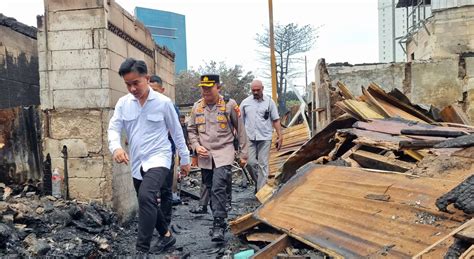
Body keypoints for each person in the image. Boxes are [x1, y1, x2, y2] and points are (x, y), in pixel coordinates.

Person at [108, 58, 190, 254]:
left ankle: (141, 250)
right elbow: (113, 128)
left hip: (160, 158)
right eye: (128, 84)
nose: (132, 88)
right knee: (148, 201)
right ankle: (167, 237)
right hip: (136, 162)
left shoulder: (163, 103)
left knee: (146, 196)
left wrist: (185, 160)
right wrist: (116, 148)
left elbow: (176, 132)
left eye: (136, 83)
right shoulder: (123, 103)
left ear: (146, 78)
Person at [187, 74, 248, 242]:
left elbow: (240, 130)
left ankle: (218, 224)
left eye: (209, 87)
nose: (205, 91)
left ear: (218, 88)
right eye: (203, 88)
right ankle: (219, 213)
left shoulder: (229, 105)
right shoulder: (196, 108)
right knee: (209, 185)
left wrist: (243, 154)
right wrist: (196, 146)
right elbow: (191, 130)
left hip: (224, 152)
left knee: (218, 187)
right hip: (205, 156)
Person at [240, 79, 283, 191]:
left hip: (265, 137)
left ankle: (261, 190)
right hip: (249, 137)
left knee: (263, 164)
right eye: (253, 90)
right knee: (250, 163)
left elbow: (276, 120)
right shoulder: (245, 103)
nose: (255, 92)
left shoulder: (269, 102)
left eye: (257, 90)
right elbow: (239, 121)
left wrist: (280, 136)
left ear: (262, 89)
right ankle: (258, 183)